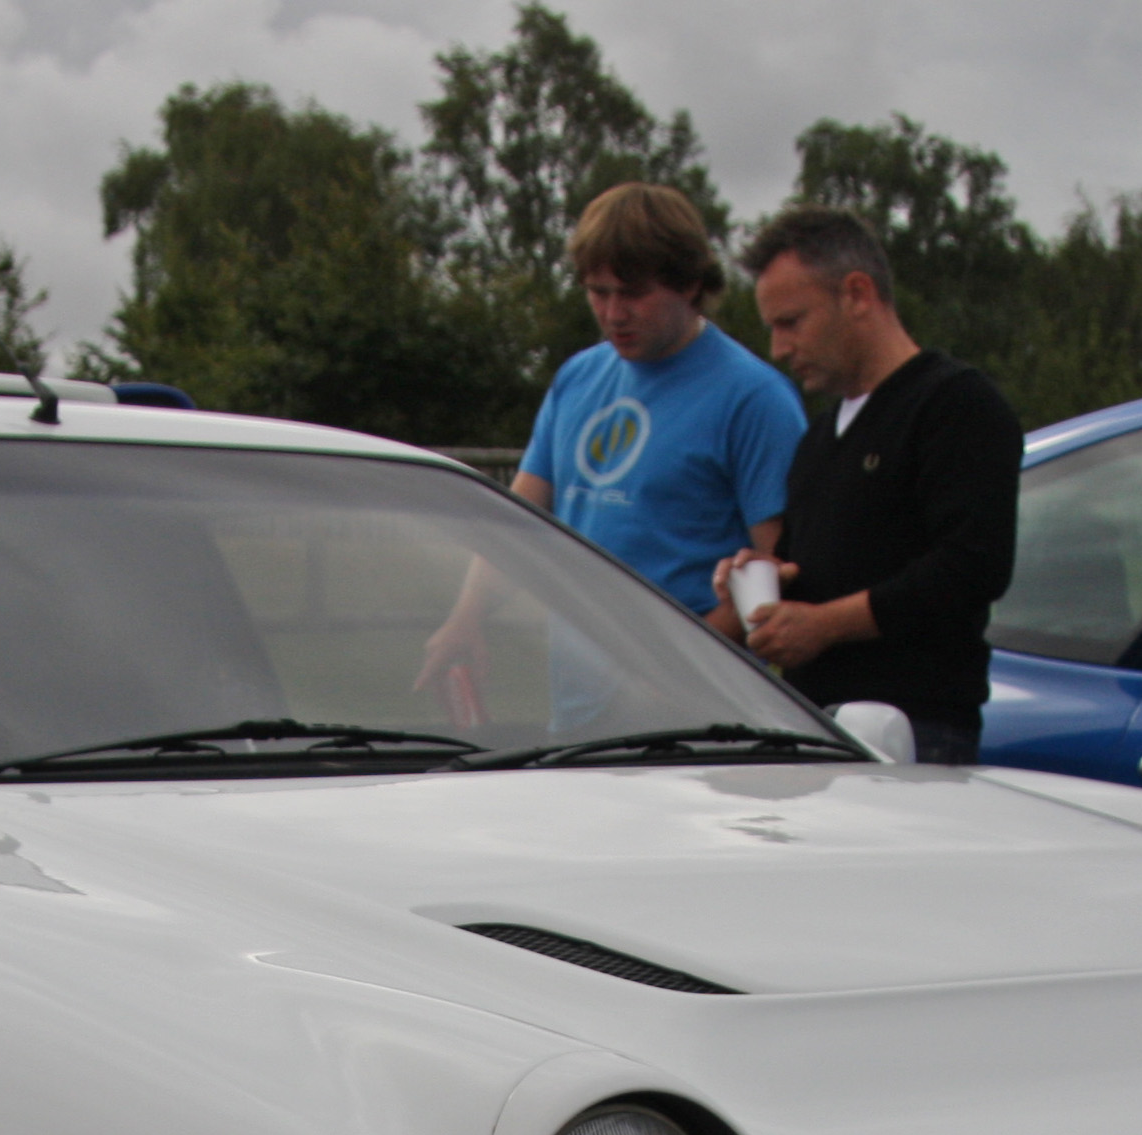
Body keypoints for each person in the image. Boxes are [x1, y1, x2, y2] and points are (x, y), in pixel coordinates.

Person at [418, 183, 804, 718]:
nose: (613, 313)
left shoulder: (754, 398)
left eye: (633, 294)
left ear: (690, 284)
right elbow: (520, 523)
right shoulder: (578, 378)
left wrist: (674, 677)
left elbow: (777, 570)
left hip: (700, 726)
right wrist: (465, 620)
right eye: (598, 292)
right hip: (580, 719)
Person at [714, 206, 1022, 765]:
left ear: (857, 294)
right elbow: (805, 566)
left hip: (917, 736)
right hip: (815, 729)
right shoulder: (819, 438)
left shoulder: (955, 404)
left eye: (792, 322)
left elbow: (973, 566)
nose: (778, 349)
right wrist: (755, 583)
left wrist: (825, 626)